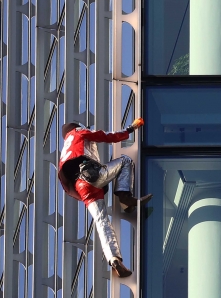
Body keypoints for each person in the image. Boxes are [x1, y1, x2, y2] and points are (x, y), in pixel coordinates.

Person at [58, 119, 152, 278]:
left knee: (102, 222)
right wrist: (130, 129)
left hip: (81, 188)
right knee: (125, 161)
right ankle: (124, 196)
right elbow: (105, 136)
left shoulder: (64, 151)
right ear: (76, 128)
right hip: (91, 176)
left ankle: (114, 259)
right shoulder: (78, 133)